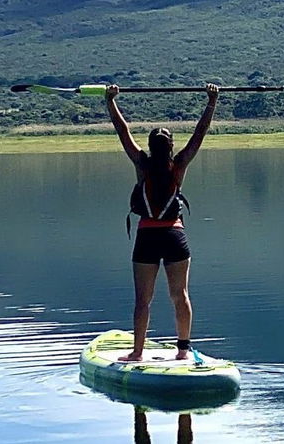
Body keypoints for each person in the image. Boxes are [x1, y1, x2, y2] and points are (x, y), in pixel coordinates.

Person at [106, 83, 219, 362]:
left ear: (150, 146)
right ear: (171, 146)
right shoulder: (179, 164)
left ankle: (137, 352)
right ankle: (183, 351)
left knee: (143, 300)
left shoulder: (141, 164)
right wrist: (211, 102)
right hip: (174, 237)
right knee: (180, 295)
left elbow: (123, 132)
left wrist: (110, 101)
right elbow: (199, 134)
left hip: (147, 237)